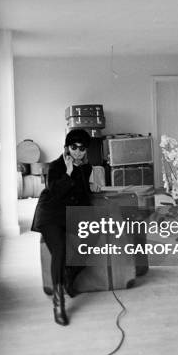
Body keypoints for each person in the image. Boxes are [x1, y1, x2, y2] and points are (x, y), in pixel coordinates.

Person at [31, 129, 101, 326]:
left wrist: (91, 188)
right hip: (51, 214)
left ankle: (70, 273)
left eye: (82, 148)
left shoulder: (86, 169)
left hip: (71, 214)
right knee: (59, 250)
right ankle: (58, 302)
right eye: (74, 147)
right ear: (66, 147)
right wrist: (69, 173)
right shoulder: (55, 167)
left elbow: (81, 197)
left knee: (94, 236)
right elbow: (55, 193)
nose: (78, 152)